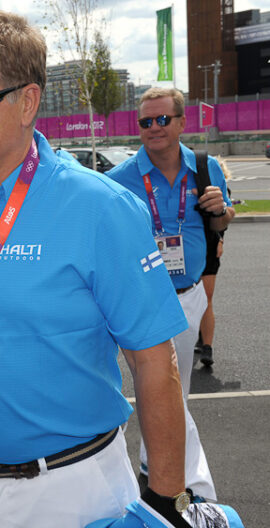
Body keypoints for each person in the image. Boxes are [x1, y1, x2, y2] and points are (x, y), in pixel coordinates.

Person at [0, 8, 194, 527]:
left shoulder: (99, 208)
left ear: (27, 101)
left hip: (71, 490)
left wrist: (165, 501)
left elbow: (154, 361)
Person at [106, 87, 234, 502]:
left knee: (169, 394)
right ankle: (193, 490)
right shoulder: (119, 180)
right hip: (143, 302)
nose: (154, 129)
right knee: (165, 392)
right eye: (146, 122)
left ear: (182, 122)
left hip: (191, 294)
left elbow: (221, 224)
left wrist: (221, 210)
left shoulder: (204, 166)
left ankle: (152, 469)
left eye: (163, 120)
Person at [196, 156, 232, 367]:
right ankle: (198, 336)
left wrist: (220, 240)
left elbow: (222, 218)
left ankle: (207, 347)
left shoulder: (218, 189)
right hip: (184, 248)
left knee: (206, 298)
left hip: (209, 243)